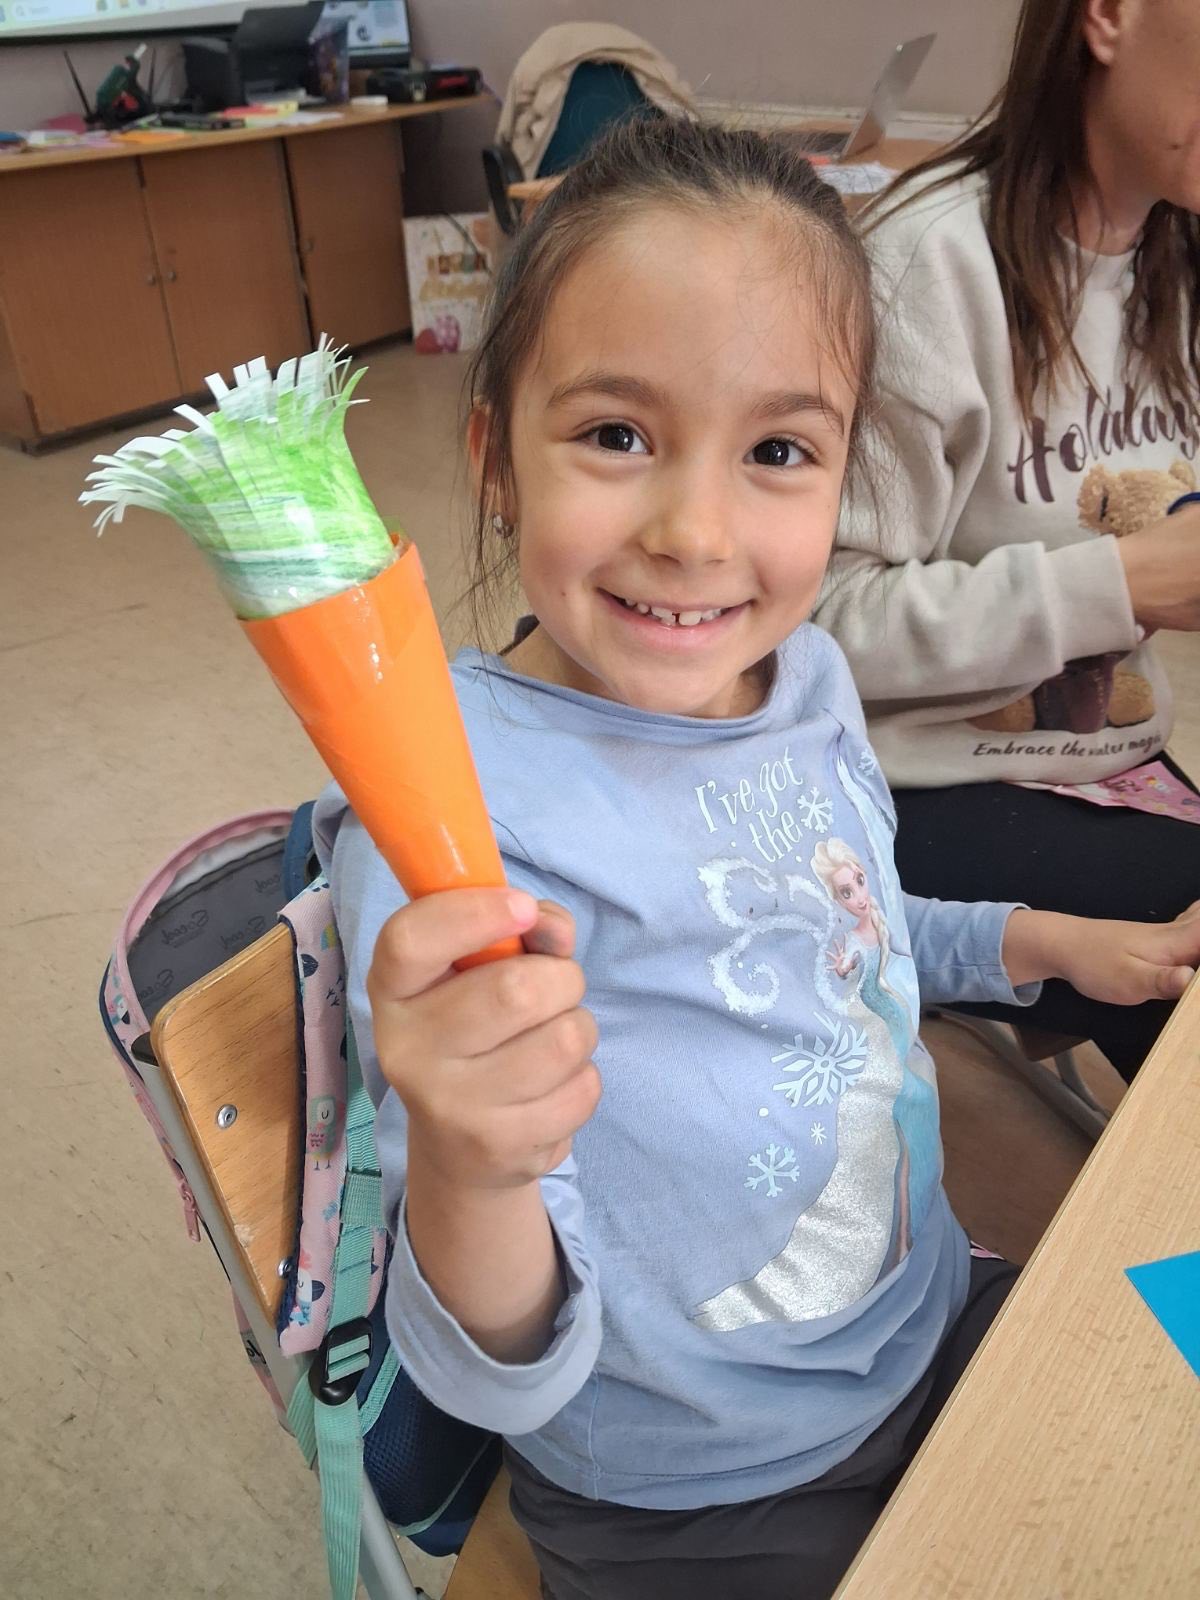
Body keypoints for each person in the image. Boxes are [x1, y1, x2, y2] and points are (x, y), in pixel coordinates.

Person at [314, 118, 1200, 1600]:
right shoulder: (452, 818)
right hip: (697, 1488)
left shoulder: (805, 682)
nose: (696, 531)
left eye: (779, 451)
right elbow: (491, 1365)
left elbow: (844, 935)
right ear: (493, 458)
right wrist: (472, 1161)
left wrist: (1039, 942)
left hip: (925, 1324)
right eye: (616, 436)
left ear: (844, 479)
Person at [814, 0, 1200, 1080]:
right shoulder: (926, 264)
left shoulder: (1175, 255)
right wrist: (1115, 583)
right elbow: (814, 625)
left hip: (1108, 759)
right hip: (906, 784)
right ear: (1108, 16)